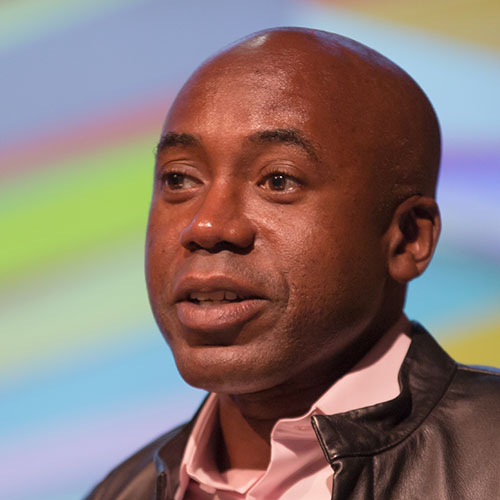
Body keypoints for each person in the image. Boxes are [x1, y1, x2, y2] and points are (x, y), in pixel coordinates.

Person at [85, 28, 500, 500]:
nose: (207, 225)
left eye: (278, 180)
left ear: (407, 238)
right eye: (179, 179)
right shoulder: (121, 491)